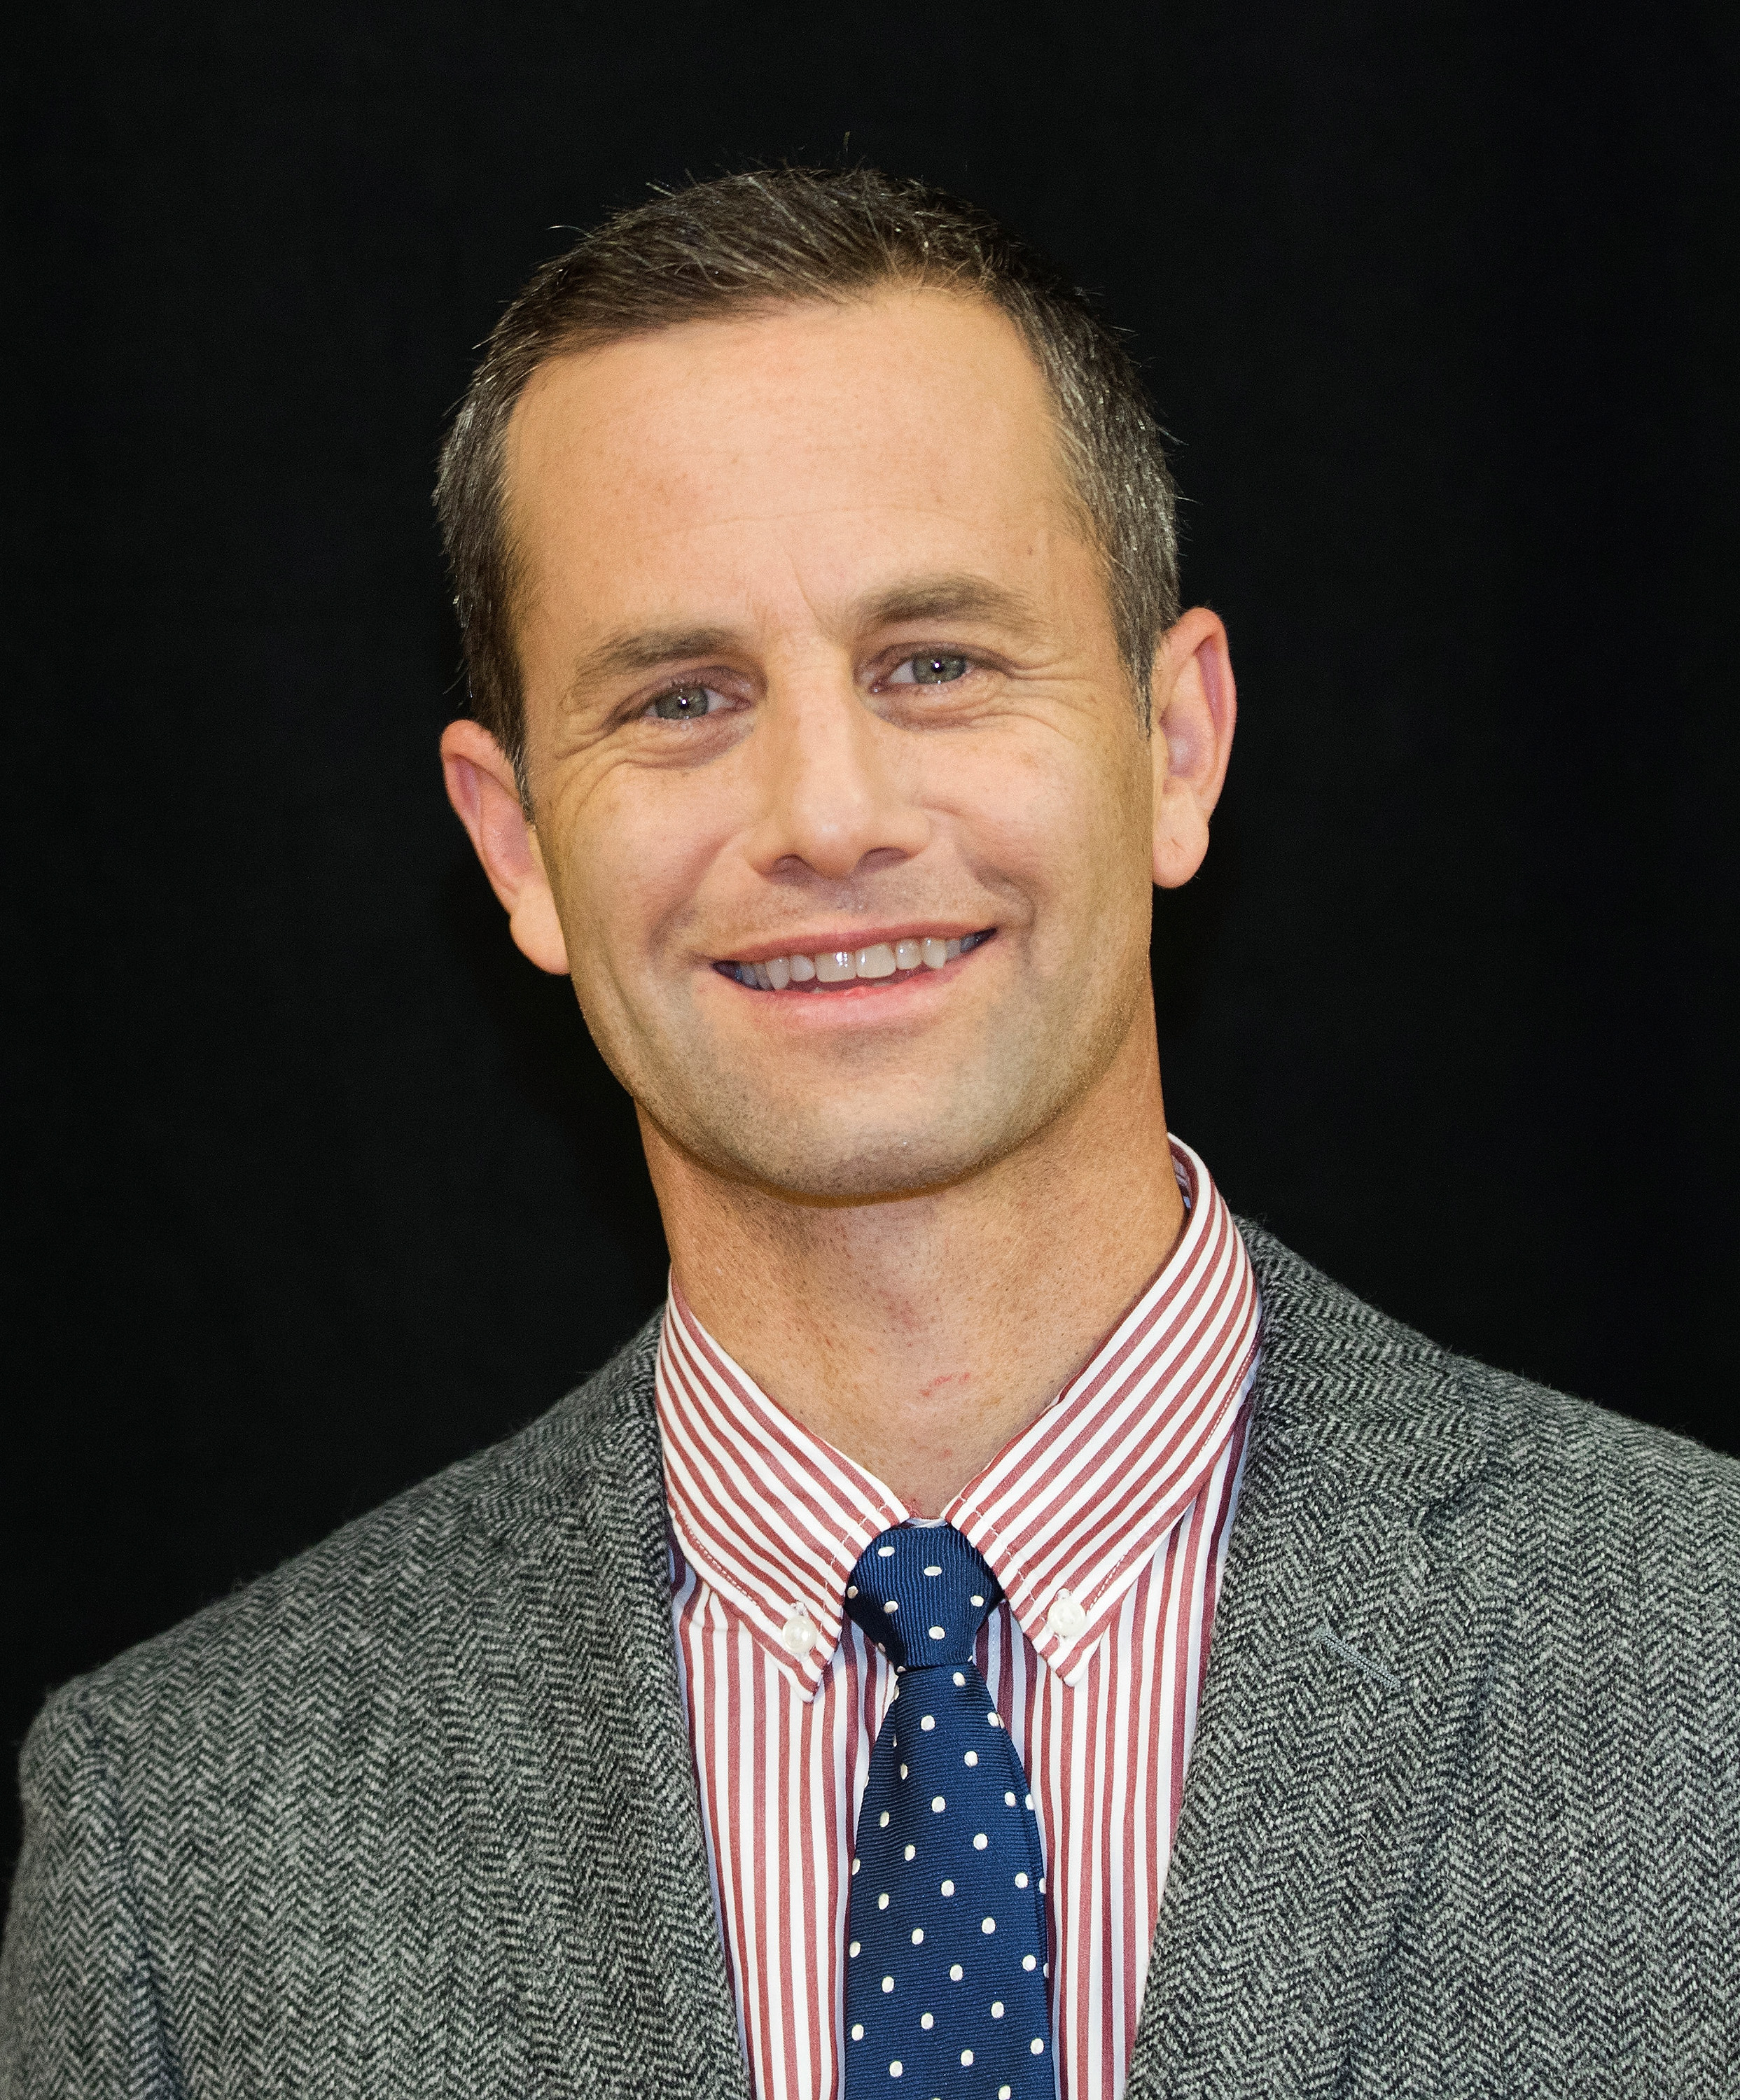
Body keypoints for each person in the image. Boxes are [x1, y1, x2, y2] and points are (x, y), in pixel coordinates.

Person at [3, 167, 1734, 2100]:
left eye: (935, 663)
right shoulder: (189, 1844)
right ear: (515, 847)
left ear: (1179, 744)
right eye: (680, 698)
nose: (825, 814)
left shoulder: (1703, 1663)